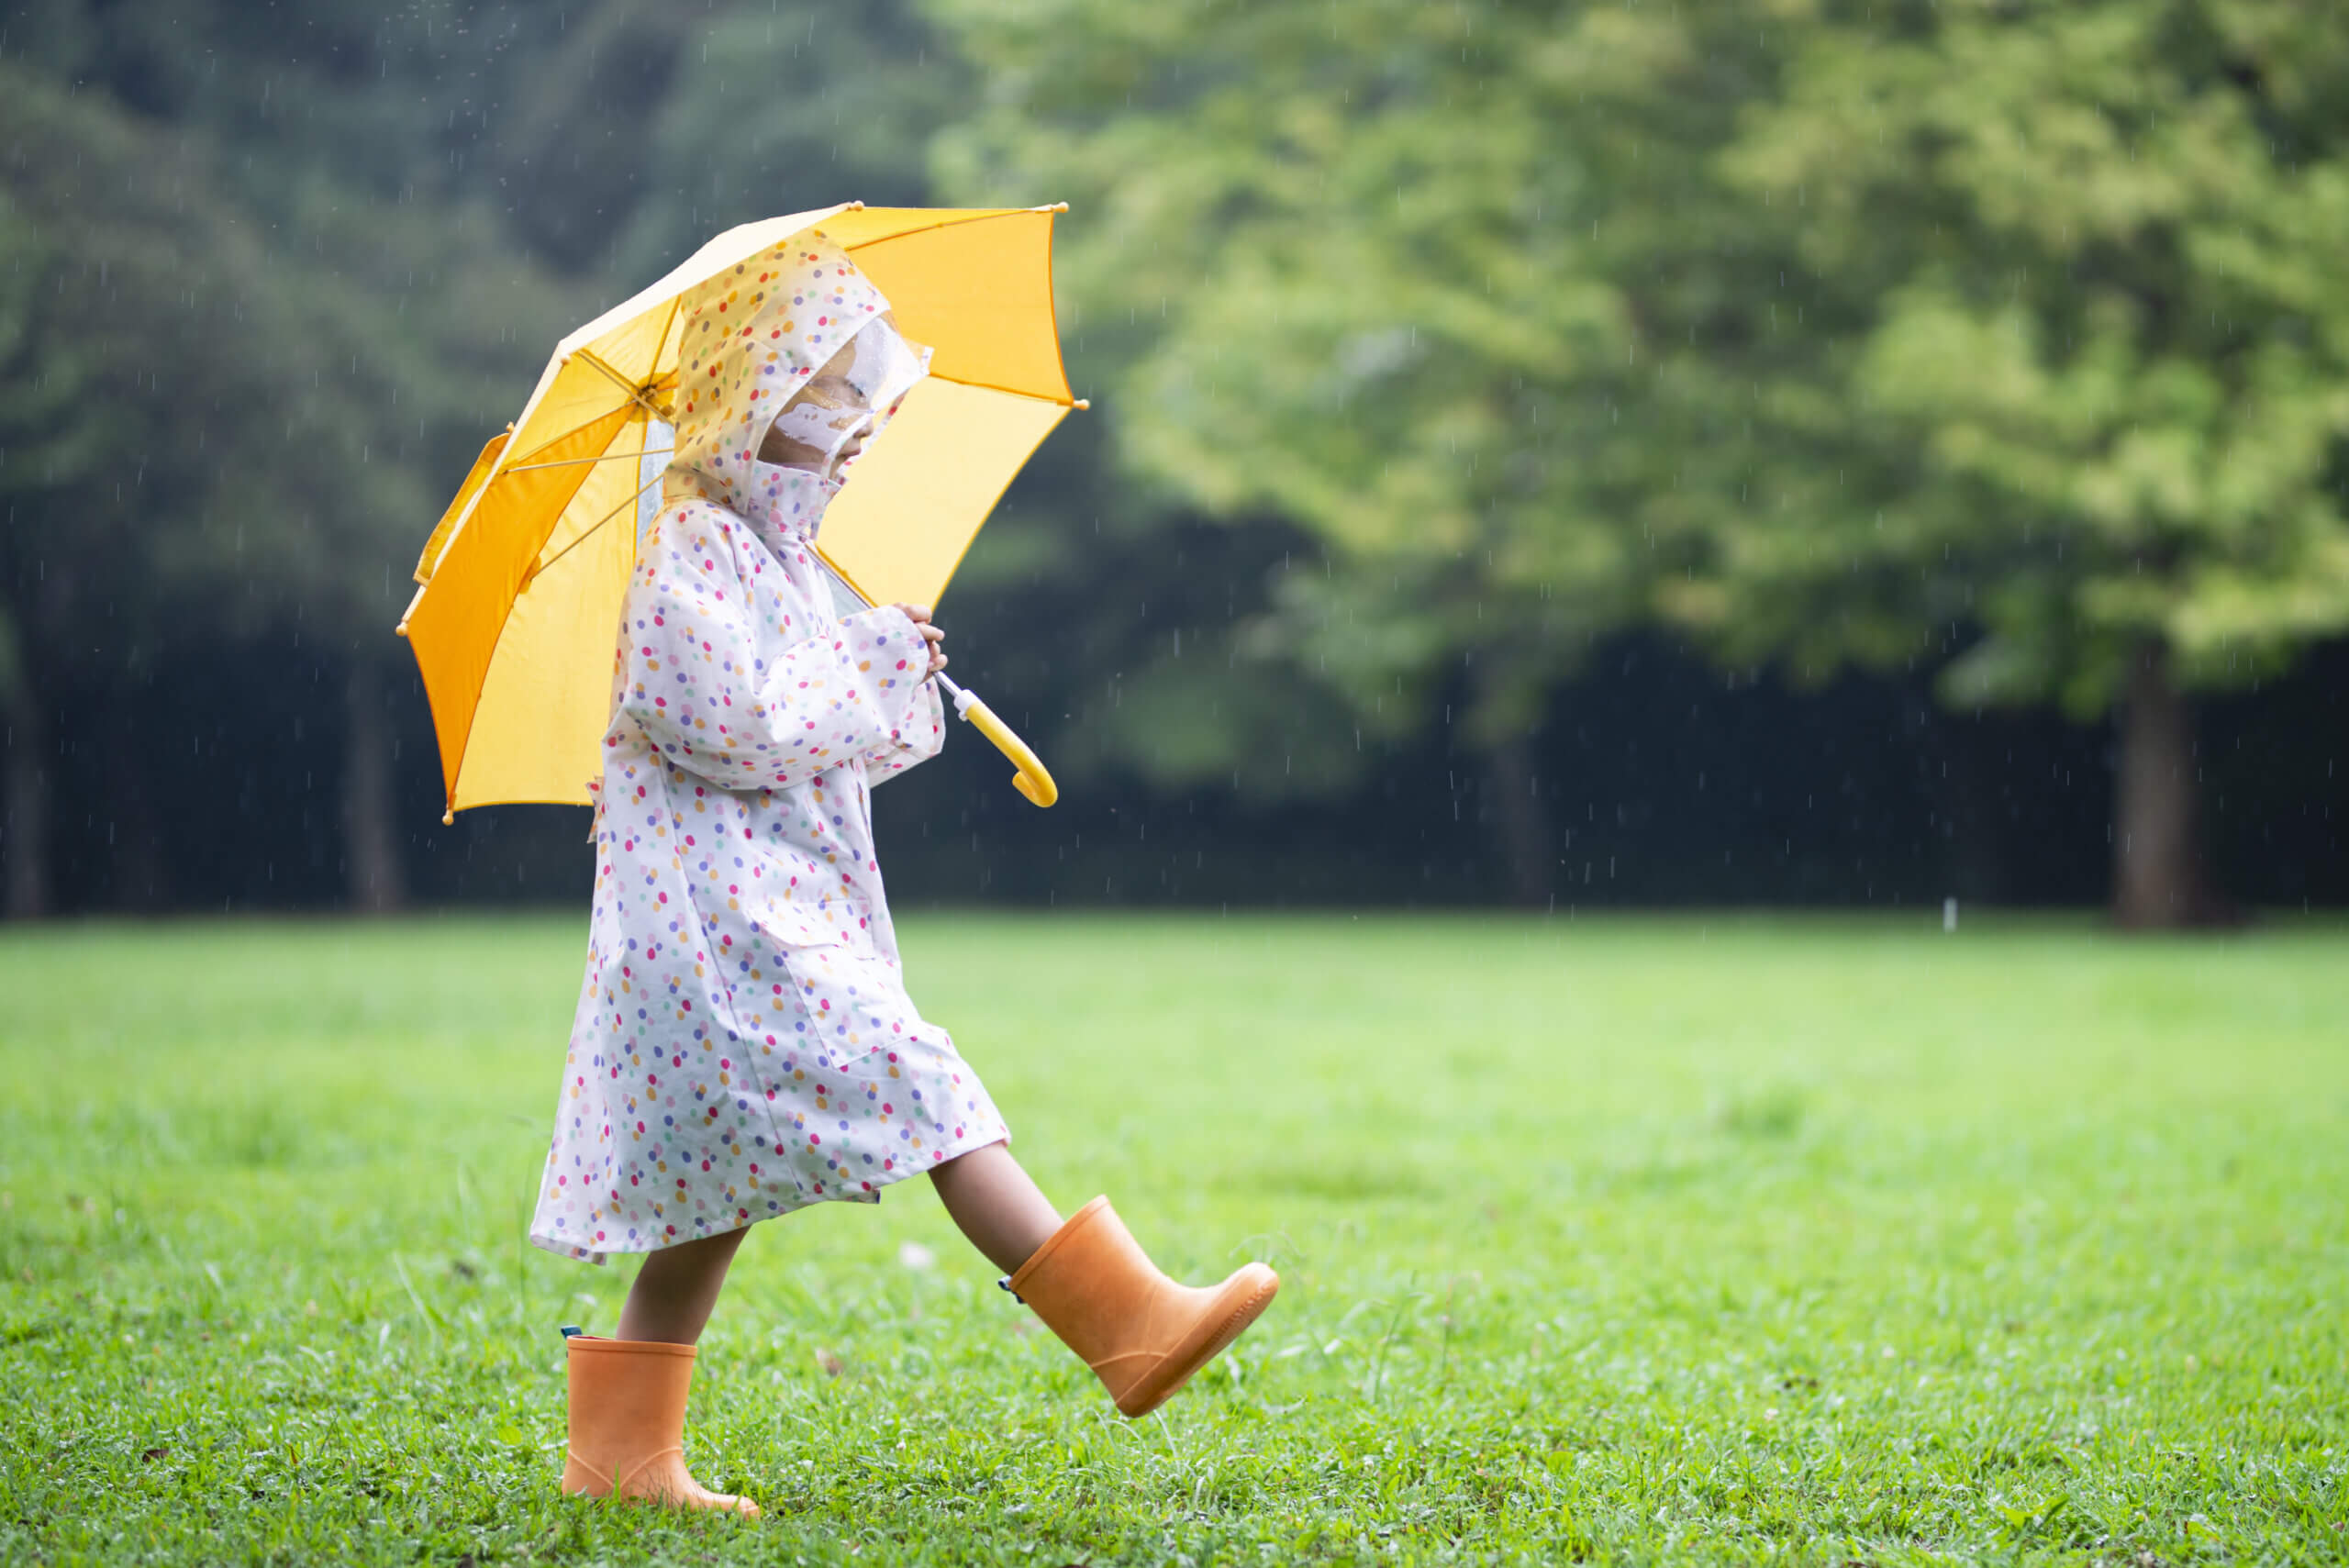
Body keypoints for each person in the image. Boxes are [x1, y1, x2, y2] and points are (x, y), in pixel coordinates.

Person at [529, 231, 1277, 1518]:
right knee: (922, 1080)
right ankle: (1130, 1327)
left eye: (865, 409)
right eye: (831, 411)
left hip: (776, 913)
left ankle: (618, 1454)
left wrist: (888, 669)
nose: (857, 436)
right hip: (723, 930)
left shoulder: (782, 563)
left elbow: (828, 739)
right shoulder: (691, 552)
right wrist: (857, 667)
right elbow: (740, 724)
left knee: (716, 1192)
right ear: (755, 412)